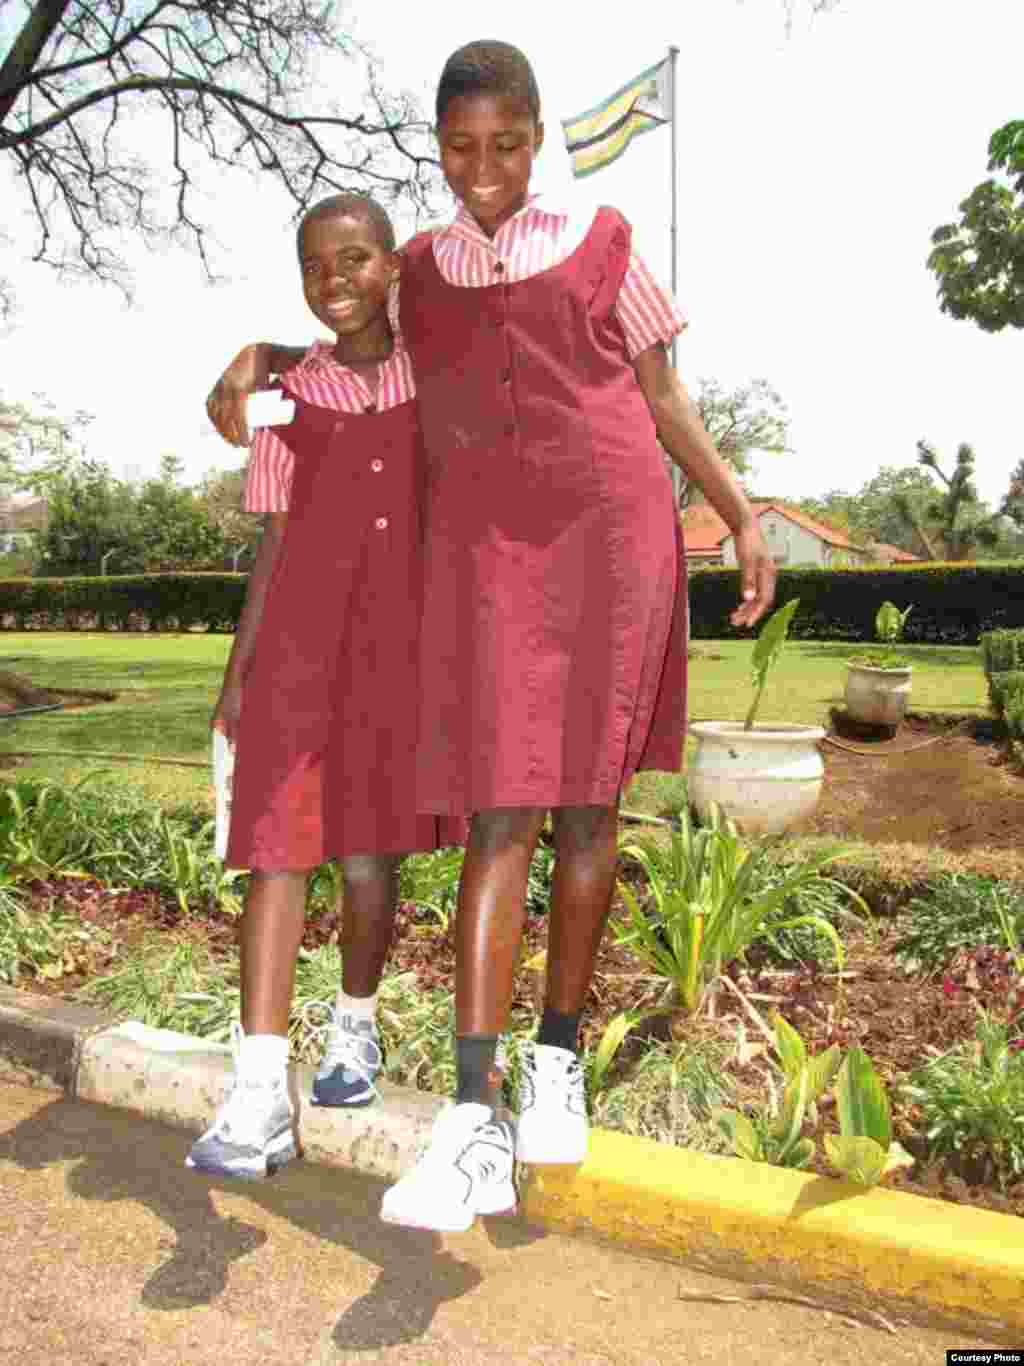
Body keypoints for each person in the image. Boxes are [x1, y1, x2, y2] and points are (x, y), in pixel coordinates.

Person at [205, 39, 775, 1231]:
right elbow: (347, 324)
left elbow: (664, 396)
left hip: (614, 539)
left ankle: (555, 1056)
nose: (483, 170)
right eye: (460, 149)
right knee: (500, 810)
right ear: (437, 145)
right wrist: (256, 360)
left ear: (536, 135)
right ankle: (472, 1120)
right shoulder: (419, 267)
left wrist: (735, 513)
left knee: (588, 809)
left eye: (505, 145)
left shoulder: (607, 242)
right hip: (495, 561)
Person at [188, 192, 464, 1184]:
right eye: (315, 264)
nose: (334, 278)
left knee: (363, 860)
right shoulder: (283, 397)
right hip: (297, 649)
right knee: (274, 850)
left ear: (391, 265)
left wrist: (255, 344)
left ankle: (355, 1022)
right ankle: (259, 1088)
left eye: (355, 258)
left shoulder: (439, 375)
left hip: (397, 653)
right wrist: (237, 675)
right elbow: (270, 541)